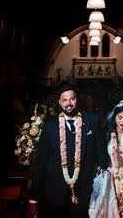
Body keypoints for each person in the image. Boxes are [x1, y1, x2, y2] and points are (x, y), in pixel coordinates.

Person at [29, 84, 102, 217]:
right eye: (64, 100)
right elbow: (41, 162)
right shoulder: (50, 125)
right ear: (59, 102)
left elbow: (100, 155)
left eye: (72, 99)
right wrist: (33, 197)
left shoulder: (92, 121)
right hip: (54, 194)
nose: (69, 103)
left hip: (83, 193)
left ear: (77, 99)